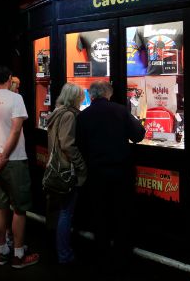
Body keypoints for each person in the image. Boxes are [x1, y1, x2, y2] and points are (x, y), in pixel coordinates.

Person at [75, 80, 145, 269]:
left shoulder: (83, 116)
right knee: (122, 213)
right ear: (108, 94)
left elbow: (79, 145)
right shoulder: (121, 110)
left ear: (93, 95)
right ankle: (122, 256)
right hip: (121, 172)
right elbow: (138, 135)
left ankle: (102, 255)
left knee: (100, 213)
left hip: (96, 172)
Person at [0, 66, 39, 268]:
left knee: (0, 206)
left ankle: (2, 251)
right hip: (14, 160)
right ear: (9, 79)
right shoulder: (15, 99)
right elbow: (16, 129)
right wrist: (3, 157)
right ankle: (19, 255)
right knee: (20, 209)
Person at [45, 83, 87, 264]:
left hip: (54, 169)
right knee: (66, 213)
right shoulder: (69, 115)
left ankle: (55, 249)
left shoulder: (57, 112)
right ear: (74, 98)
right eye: (80, 96)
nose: (82, 99)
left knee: (57, 211)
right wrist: (81, 164)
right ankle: (64, 254)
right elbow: (67, 144)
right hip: (66, 170)